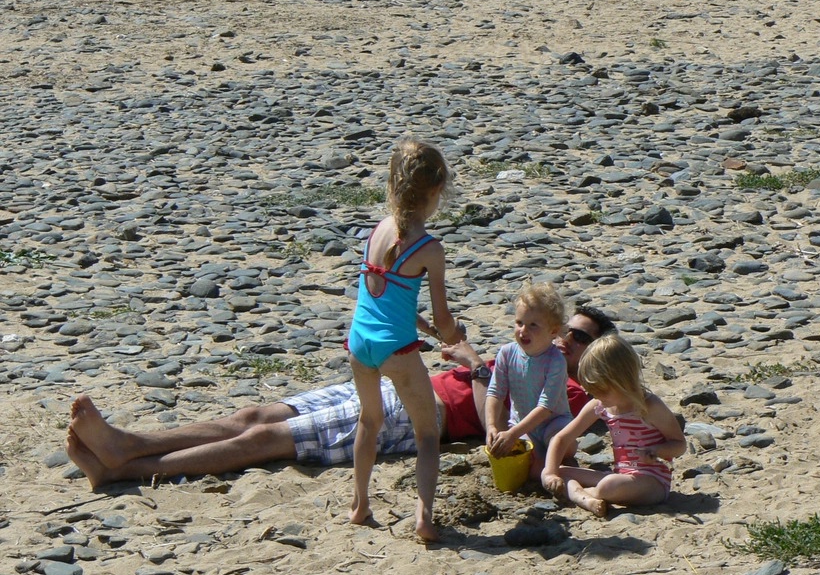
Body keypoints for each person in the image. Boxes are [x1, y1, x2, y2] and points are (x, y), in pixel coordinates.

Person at [65, 306, 616, 510]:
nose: (568, 341)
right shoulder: (523, 351)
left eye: (581, 339)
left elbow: (496, 420)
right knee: (258, 416)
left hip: (421, 416)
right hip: (405, 383)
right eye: (566, 330)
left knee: (270, 443)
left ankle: (126, 465)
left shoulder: (569, 392)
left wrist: (473, 364)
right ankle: (129, 444)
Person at [343, 136, 465, 541]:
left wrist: (425, 328)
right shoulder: (429, 248)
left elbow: (385, 293)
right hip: (396, 348)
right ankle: (424, 518)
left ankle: (360, 504)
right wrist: (452, 335)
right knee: (427, 433)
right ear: (435, 193)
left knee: (369, 420)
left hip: (360, 343)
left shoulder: (378, 231)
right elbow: (444, 317)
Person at [541, 333, 686, 518]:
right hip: (620, 474)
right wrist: (550, 473)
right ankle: (589, 501)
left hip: (652, 481)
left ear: (622, 381)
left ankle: (582, 495)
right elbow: (561, 438)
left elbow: (679, 444)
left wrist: (656, 451)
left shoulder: (649, 407)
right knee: (561, 471)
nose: (596, 396)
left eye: (601, 390)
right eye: (593, 391)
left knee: (609, 485)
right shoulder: (600, 405)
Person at [485, 282, 573, 474]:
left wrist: (512, 434)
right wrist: (491, 425)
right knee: (523, 464)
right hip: (521, 425)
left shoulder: (555, 360)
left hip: (554, 422)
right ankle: (545, 465)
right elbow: (495, 392)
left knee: (561, 442)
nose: (523, 330)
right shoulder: (507, 353)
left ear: (553, 331)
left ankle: (556, 466)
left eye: (533, 325)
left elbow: (546, 407)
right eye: (519, 323)